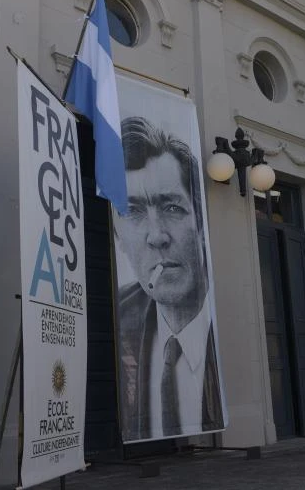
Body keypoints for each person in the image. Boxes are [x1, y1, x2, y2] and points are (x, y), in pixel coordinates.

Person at [112, 116, 224, 442]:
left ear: (200, 224)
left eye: (172, 207)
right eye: (132, 212)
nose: (157, 237)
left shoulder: (222, 314)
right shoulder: (119, 312)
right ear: (118, 235)